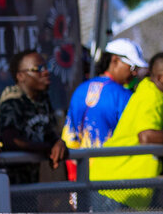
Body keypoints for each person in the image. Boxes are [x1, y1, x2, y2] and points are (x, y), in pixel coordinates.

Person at [88, 52, 163, 211]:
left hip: (138, 188)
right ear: (161, 78)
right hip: (113, 186)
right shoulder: (150, 93)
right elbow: (147, 136)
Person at [0, 51, 67, 201]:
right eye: (38, 69)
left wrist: (58, 143)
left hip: (30, 184)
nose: (45, 72)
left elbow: (50, 132)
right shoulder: (12, 99)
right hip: (5, 186)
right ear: (20, 76)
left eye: (47, 67)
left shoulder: (42, 98)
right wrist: (46, 148)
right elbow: (10, 140)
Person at [62, 38, 146, 168]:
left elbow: (70, 138)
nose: (134, 73)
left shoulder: (80, 90)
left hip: (80, 172)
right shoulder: (124, 96)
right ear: (115, 60)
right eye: (132, 67)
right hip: (111, 173)